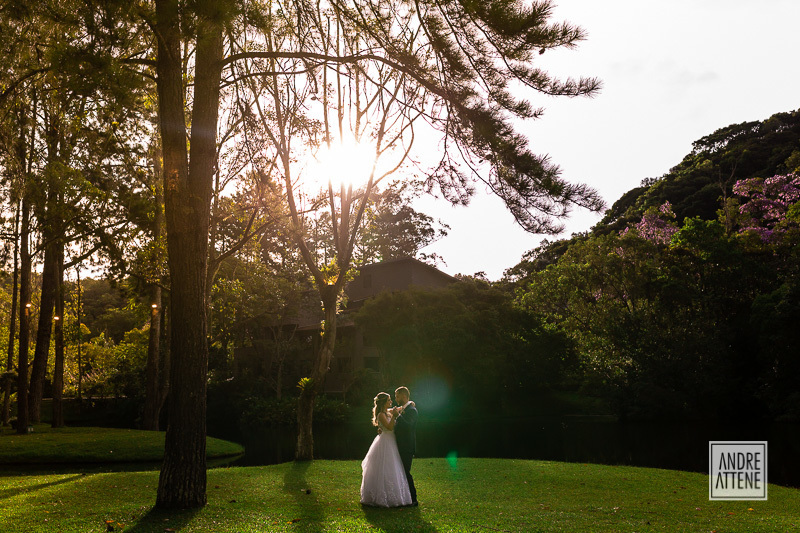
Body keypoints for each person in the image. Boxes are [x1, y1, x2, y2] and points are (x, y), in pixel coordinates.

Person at [360, 392, 413, 507]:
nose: (391, 402)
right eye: (389, 400)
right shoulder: (381, 415)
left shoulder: (387, 411)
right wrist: (394, 415)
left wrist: (411, 403)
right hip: (385, 441)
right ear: (384, 402)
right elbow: (389, 427)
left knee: (394, 466)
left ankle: (395, 495)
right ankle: (380, 496)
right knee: (384, 466)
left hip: (392, 441)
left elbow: (400, 408)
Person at [393, 386, 418, 506]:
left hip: (407, 447)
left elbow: (408, 425)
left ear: (404, 396)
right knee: (401, 472)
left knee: (406, 472)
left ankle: (414, 499)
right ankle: (405, 498)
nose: (396, 399)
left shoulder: (412, 410)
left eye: (397, 396)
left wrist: (398, 416)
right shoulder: (403, 409)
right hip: (399, 446)